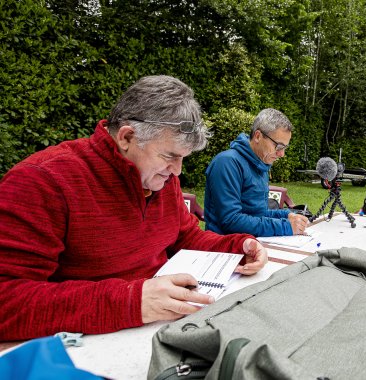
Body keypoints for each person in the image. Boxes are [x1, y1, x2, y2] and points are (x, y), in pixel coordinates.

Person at [0, 75, 268, 341]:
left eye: (182, 158)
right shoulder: (42, 181)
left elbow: (185, 236)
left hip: (160, 333)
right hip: (84, 350)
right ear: (127, 136)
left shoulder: (162, 180)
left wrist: (237, 247)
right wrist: (131, 301)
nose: (177, 171)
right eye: (169, 156)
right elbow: (6, 300)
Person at [204, 108, 309, 237]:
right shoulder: (226, 163)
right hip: (224, 249)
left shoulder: (261, 165)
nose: (282, 154)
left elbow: (257, 214)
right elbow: (230, 221)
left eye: (284, 148)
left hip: (253, 244)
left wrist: (287, 215)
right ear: (258, 136)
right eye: (279, 146)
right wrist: (285, 226)